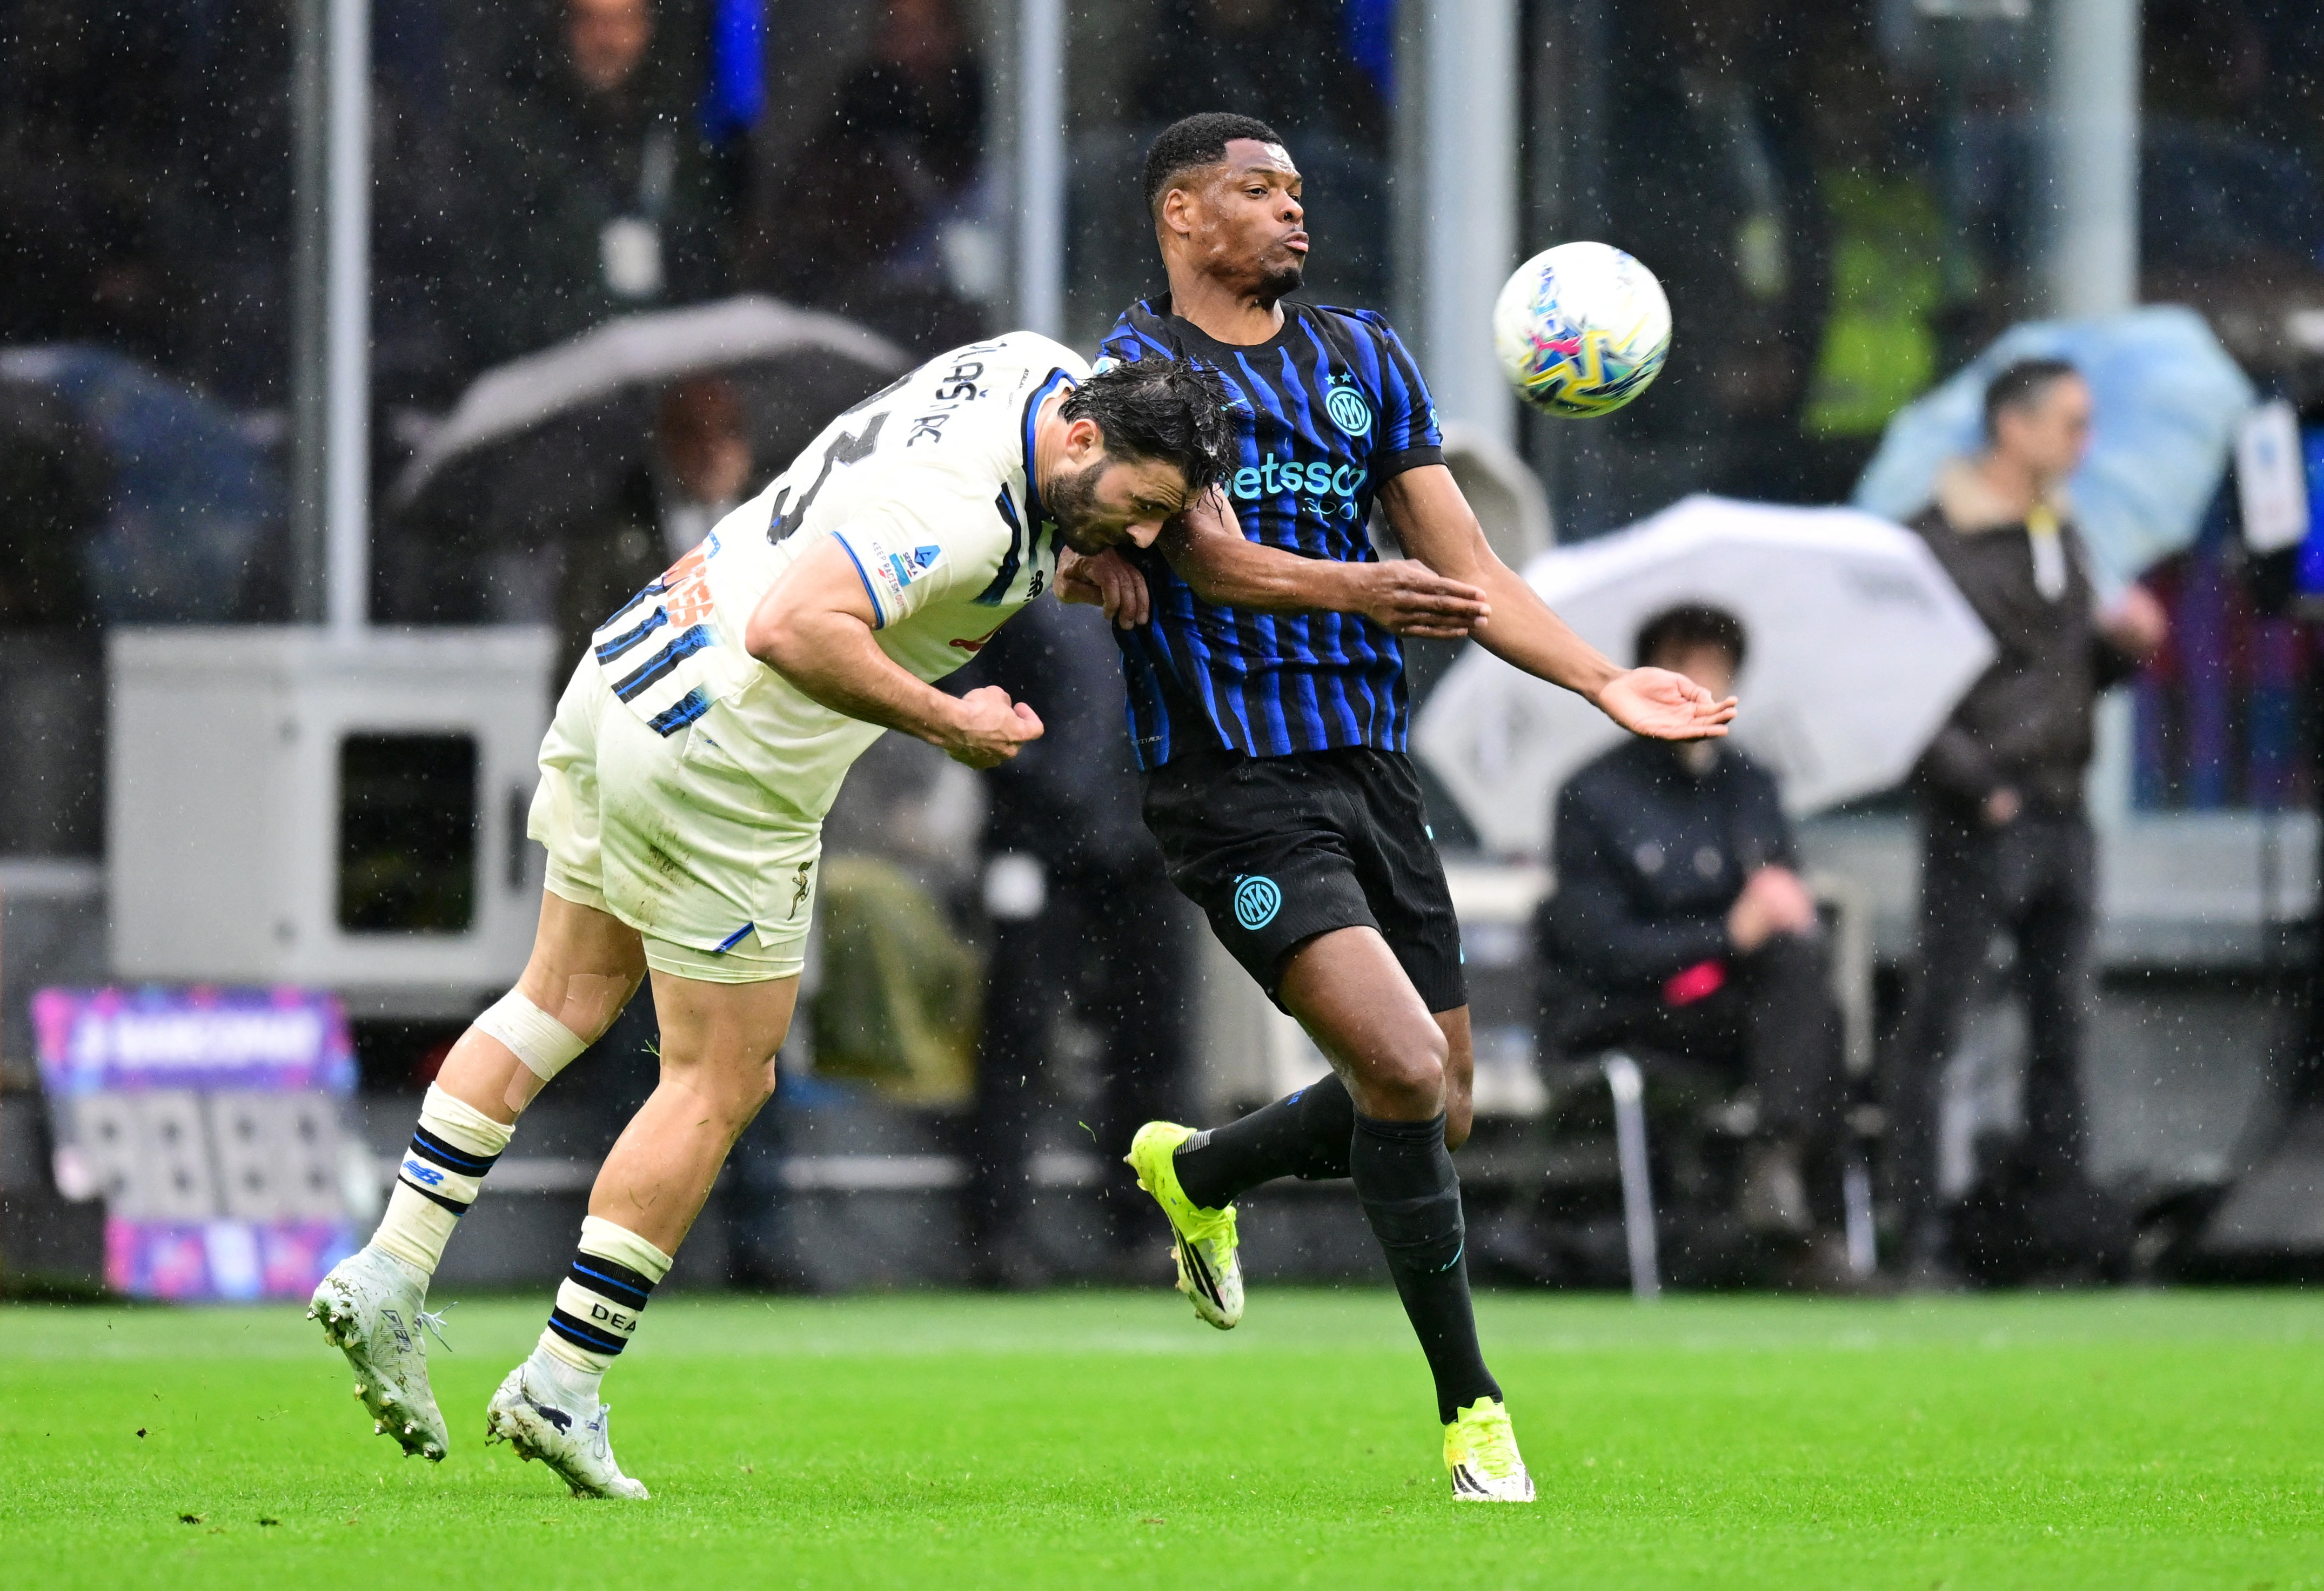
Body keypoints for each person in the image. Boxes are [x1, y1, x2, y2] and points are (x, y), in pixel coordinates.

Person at [307, 334, 1237, 1499]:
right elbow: (799, 625)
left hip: (633, 666)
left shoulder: (1026, 366)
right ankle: (561, 1379)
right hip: (726, 758)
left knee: (561, 996)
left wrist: (1073, 555)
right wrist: (948, 720)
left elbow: (935, 510)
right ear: (1086, 436)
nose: (1143, 536)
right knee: (717, 1078)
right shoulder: (973, 518)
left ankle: (390, 1268)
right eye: (1138, 509)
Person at [1060, 113, 1736, 1501]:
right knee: (1404, 1073)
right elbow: (1207, 558)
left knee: (1442, 1098)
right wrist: (1346, 584)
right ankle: (1471, 1409)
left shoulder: (1366, 359)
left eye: (1299, 190)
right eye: (1258, 192)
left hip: (1369, 765)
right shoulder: (1133, 373)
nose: (1294, 211)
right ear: (1181, 215)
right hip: (1230, 785)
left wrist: (1606, 680)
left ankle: (1201, 1172)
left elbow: (1470, 567)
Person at [1893, 358, 2168, 1283]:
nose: (2082, 445)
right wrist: (1981, 785)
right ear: (2011, 427)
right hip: (1983, 815)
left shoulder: (2066, 533)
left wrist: (2118, 650)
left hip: (2065, 809)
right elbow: (1905, 693)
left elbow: (2060, 677)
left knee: (2062, 1026)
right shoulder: (1936, 540)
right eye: (2070, 423)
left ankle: (2058, 1230)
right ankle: (1920, 1235)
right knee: (1939, 1024)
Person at [1536, 605, 1849, 1265]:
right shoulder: (1593, 795)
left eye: (1716, 669)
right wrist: (1726, 933)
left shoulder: (1749, 786)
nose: (1699, 685)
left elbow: (1780, 897)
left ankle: (1778, 1176)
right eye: (1683, 665)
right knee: (1808, 1014)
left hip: (1739, 1013)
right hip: (1636, 1012)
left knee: (1808, 980)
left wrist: (1785, 909)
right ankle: (1796, 1221)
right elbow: (1599, 950)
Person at [955, 598, 1194, 1287]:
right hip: (1038, 845)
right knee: (1018, 1036)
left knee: (1153, 1038)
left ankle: (1151, 1231)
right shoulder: (1017, 577)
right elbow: (957, 691)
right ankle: (999, 1235)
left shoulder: (1162, 577)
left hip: (1146, 846)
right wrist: (1039, 784)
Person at [459, 0, 726, 367]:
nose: (608, 40)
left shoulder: (676, 137)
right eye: (591, 22)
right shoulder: (514, 141)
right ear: (561, 27)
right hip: (549, 381)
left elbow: (708, 264)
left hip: (666, 375)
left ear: (649, 28)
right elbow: (491, 285)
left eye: (624, 22)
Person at [555, 375, 756, 674]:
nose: (712, 448)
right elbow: (578, 670)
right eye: (692, 432)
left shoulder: (778, 522)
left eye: (728, 429)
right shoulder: (610, 542)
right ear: (664, 440)